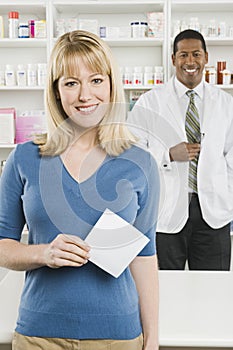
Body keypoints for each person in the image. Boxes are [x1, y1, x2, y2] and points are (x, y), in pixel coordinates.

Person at [0, 30, 160, 350]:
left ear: (112, 84)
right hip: (39, 335)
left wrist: (152, 340)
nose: (85, 95)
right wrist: (43, 253)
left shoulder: (140, 164)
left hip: (118, 335)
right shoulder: (24, 158)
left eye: (96, 80)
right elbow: (3, 243)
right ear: (57, 91)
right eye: (71, 83)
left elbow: (144, 259)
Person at [128, 29, 233, 271]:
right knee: (163, 287)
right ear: (173, 59)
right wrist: (168, 155)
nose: (190, 61)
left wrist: (225, 198)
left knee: (211, 290)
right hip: (166, 211)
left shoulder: (226, 104)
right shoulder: (150, 102)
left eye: (196, 54)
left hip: (213, 214)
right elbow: (132, 157)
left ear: (206, 57)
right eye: (183, 55)